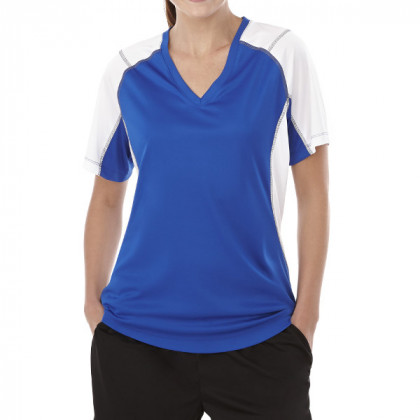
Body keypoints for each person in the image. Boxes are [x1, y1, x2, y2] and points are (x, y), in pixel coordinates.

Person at [83, 0, 330, 418]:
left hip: (262, 334)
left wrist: (306, 319)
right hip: (136, 340)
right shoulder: (127, 71)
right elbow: (107, 197)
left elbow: (314, 193)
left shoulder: (282, 55)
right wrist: (93, 306)